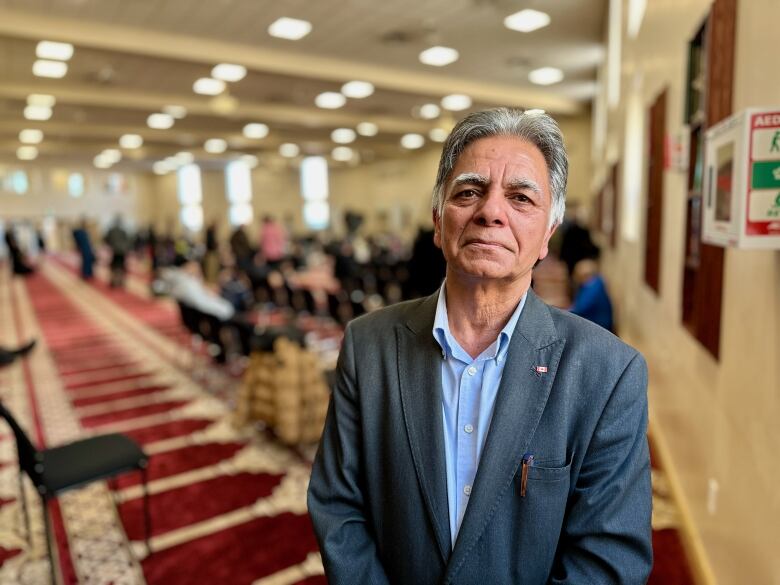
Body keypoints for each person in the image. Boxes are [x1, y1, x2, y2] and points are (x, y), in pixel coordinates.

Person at [308, 108, 652, 584]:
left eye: (520, 198)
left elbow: (608, 559)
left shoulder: (609, 372)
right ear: (437, 220)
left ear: (547, 234)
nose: (491, 211)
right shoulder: (368, 347)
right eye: (469, 192)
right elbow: (338, 508)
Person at [570, 256, 615, 332]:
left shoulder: (592, 287)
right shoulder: (595, 283)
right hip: (595, 322)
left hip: (599, 325)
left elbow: (581, 308)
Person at [104, 215, 131, 287]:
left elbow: (107, 239)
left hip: (115, 251)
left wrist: (112, 245)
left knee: (114, 267)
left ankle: (114, 281)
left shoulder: (111, 230)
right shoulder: (123, 231)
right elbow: (127, 241)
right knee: (121, 267)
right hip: (122, 251)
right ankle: (120, 281)